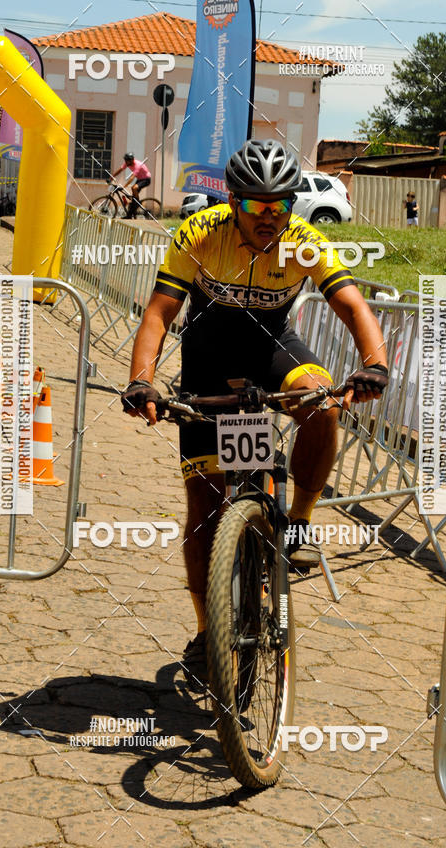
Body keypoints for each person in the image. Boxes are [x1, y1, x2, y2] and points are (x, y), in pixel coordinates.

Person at [121, 139, 388, 689]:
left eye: (279, 205)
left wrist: (375, 365)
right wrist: (141, 379)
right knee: (205, 508)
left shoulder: (304, 242)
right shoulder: (198, 233)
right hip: (207, 363)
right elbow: (159, 313)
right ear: (234, 202)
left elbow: (351, 304)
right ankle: (204, 633)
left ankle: (300, 524)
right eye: (255, 206)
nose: (268, 218)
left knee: (321, 402)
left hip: (272, 351)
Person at [112, 152, 152, 219]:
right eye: (125, 160)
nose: (125, 162)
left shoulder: (137, 165)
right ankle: (129, 215)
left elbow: (132, 177)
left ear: (131, 160)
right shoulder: (128, 163)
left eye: (127, 161)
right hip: (140, 179)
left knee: (134, 188)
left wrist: (124, 186)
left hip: (146, 179)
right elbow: (120, 170)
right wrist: (112, 176)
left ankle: (137, 202)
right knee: (132, 198)